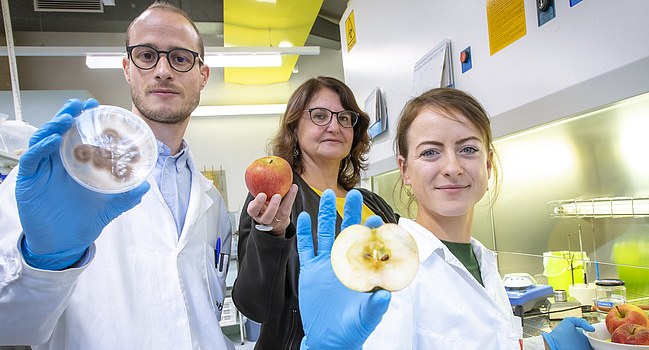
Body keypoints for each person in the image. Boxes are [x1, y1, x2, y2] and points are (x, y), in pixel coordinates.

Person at [0, 2, 235, 349]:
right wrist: (43, 263)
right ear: (128, 68)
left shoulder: (211, 201)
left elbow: (202, 315)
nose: (163, 71)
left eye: (181, 58)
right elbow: (10, 327)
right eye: (146, 55)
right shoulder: (59, 174)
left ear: (202, 74)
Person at [295, 87, 595, 350]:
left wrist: (544, 344)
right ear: (405, 170)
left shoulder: (481, 258)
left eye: (468, 149)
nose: (452, 167)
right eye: (430, 152)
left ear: (487, 165)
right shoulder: (393, 275)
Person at [232, 76, 398, 349]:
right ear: (294, 127)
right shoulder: (276, 202)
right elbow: (256, 307)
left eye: (345, 118)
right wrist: (271, 234)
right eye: (320, 116)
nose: (334, 126)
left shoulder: (374, 204)